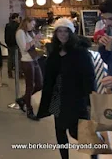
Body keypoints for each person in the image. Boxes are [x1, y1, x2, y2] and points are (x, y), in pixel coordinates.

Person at [37, 19, 96, 159]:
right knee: (60, 130)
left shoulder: (80, 52)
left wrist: (90, 100)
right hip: (58, 97)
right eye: (59, 31)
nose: (62, 34)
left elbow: (89, 77)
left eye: (65, 31)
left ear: (71, 33)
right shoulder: (55, 51)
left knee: (81, 132)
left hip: (76, 97)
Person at [98, 0, 112, 158]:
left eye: (111, 18)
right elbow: (109, 60)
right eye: (105, 19)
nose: (107, 23)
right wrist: (105, 47)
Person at [15, 17, 43, 121]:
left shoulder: (29, 33)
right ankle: (29, 110)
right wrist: (34, 40)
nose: (33, 26)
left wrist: (38, 41)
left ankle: (22, 100)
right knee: (29, 86)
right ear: (26, 23)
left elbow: (35, 45)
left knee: (40, 84)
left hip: (34, 59)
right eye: (32, 24)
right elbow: (24, 48)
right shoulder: (20, 33)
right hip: (27, 61)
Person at [5, 13, 20, 78]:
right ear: (16, 18)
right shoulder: (18, 25)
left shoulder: (7, 25)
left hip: (9, 44)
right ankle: (18, 72)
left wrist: (7, 42)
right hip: (16, 44)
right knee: (18, 58)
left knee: (10, 58)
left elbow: (5, 35)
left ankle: (9, 73)